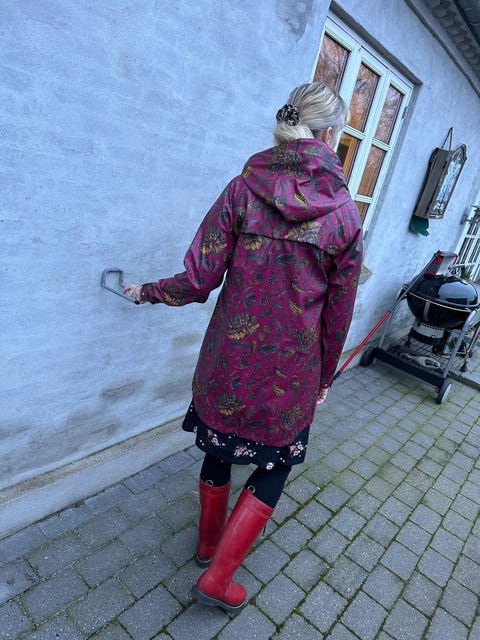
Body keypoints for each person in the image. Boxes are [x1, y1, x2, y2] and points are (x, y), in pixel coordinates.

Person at [123, 82, 363, 613]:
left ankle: (208, 545)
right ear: (329, 135)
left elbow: (199, 278)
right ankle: (218, 578)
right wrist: (324, 376)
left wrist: (147, 292)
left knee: (219, 449)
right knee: (274, 465)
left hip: (228, 360)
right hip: (291, 371)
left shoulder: (242, 189)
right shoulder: (345, 215)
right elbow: (338, 312)